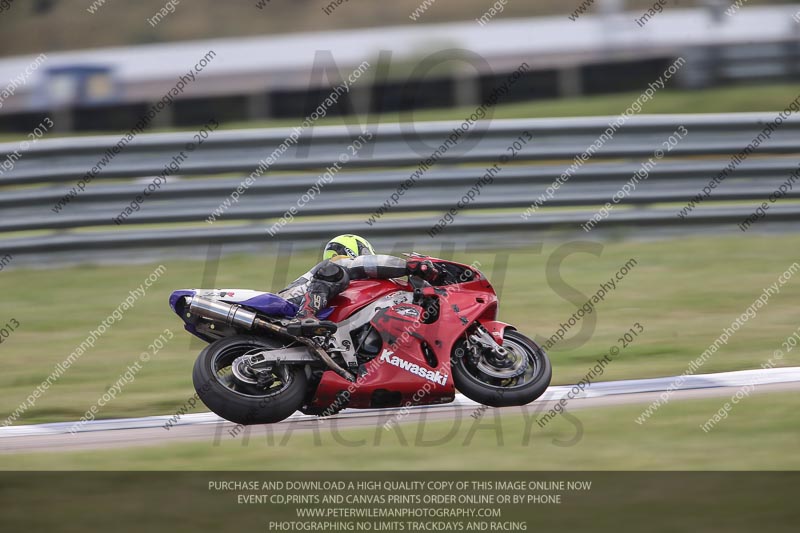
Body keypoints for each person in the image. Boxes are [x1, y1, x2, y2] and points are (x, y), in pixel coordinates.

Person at [278, 234, 439, 336]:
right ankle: (305, 314)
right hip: (289, 304)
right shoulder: (336, 264)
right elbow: (367, 264)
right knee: (334, 272)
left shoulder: (333, 290)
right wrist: (409, 266)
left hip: (292, 309)